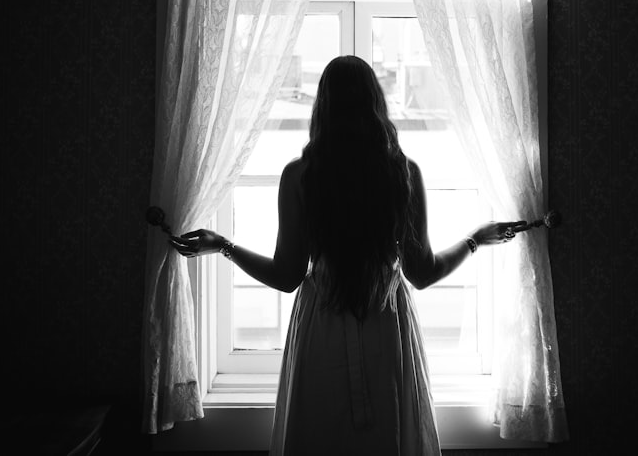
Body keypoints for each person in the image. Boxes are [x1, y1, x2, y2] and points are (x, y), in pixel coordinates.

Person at [169, 55, 528, 455]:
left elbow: (287, 276)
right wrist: (475, 240)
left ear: (322, 106)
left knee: (319, 436)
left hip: (320, 329)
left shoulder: (300, 175)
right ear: (376, 103)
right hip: (384, 326)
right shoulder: (403, 174)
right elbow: (421, 272)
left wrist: (224, 246)